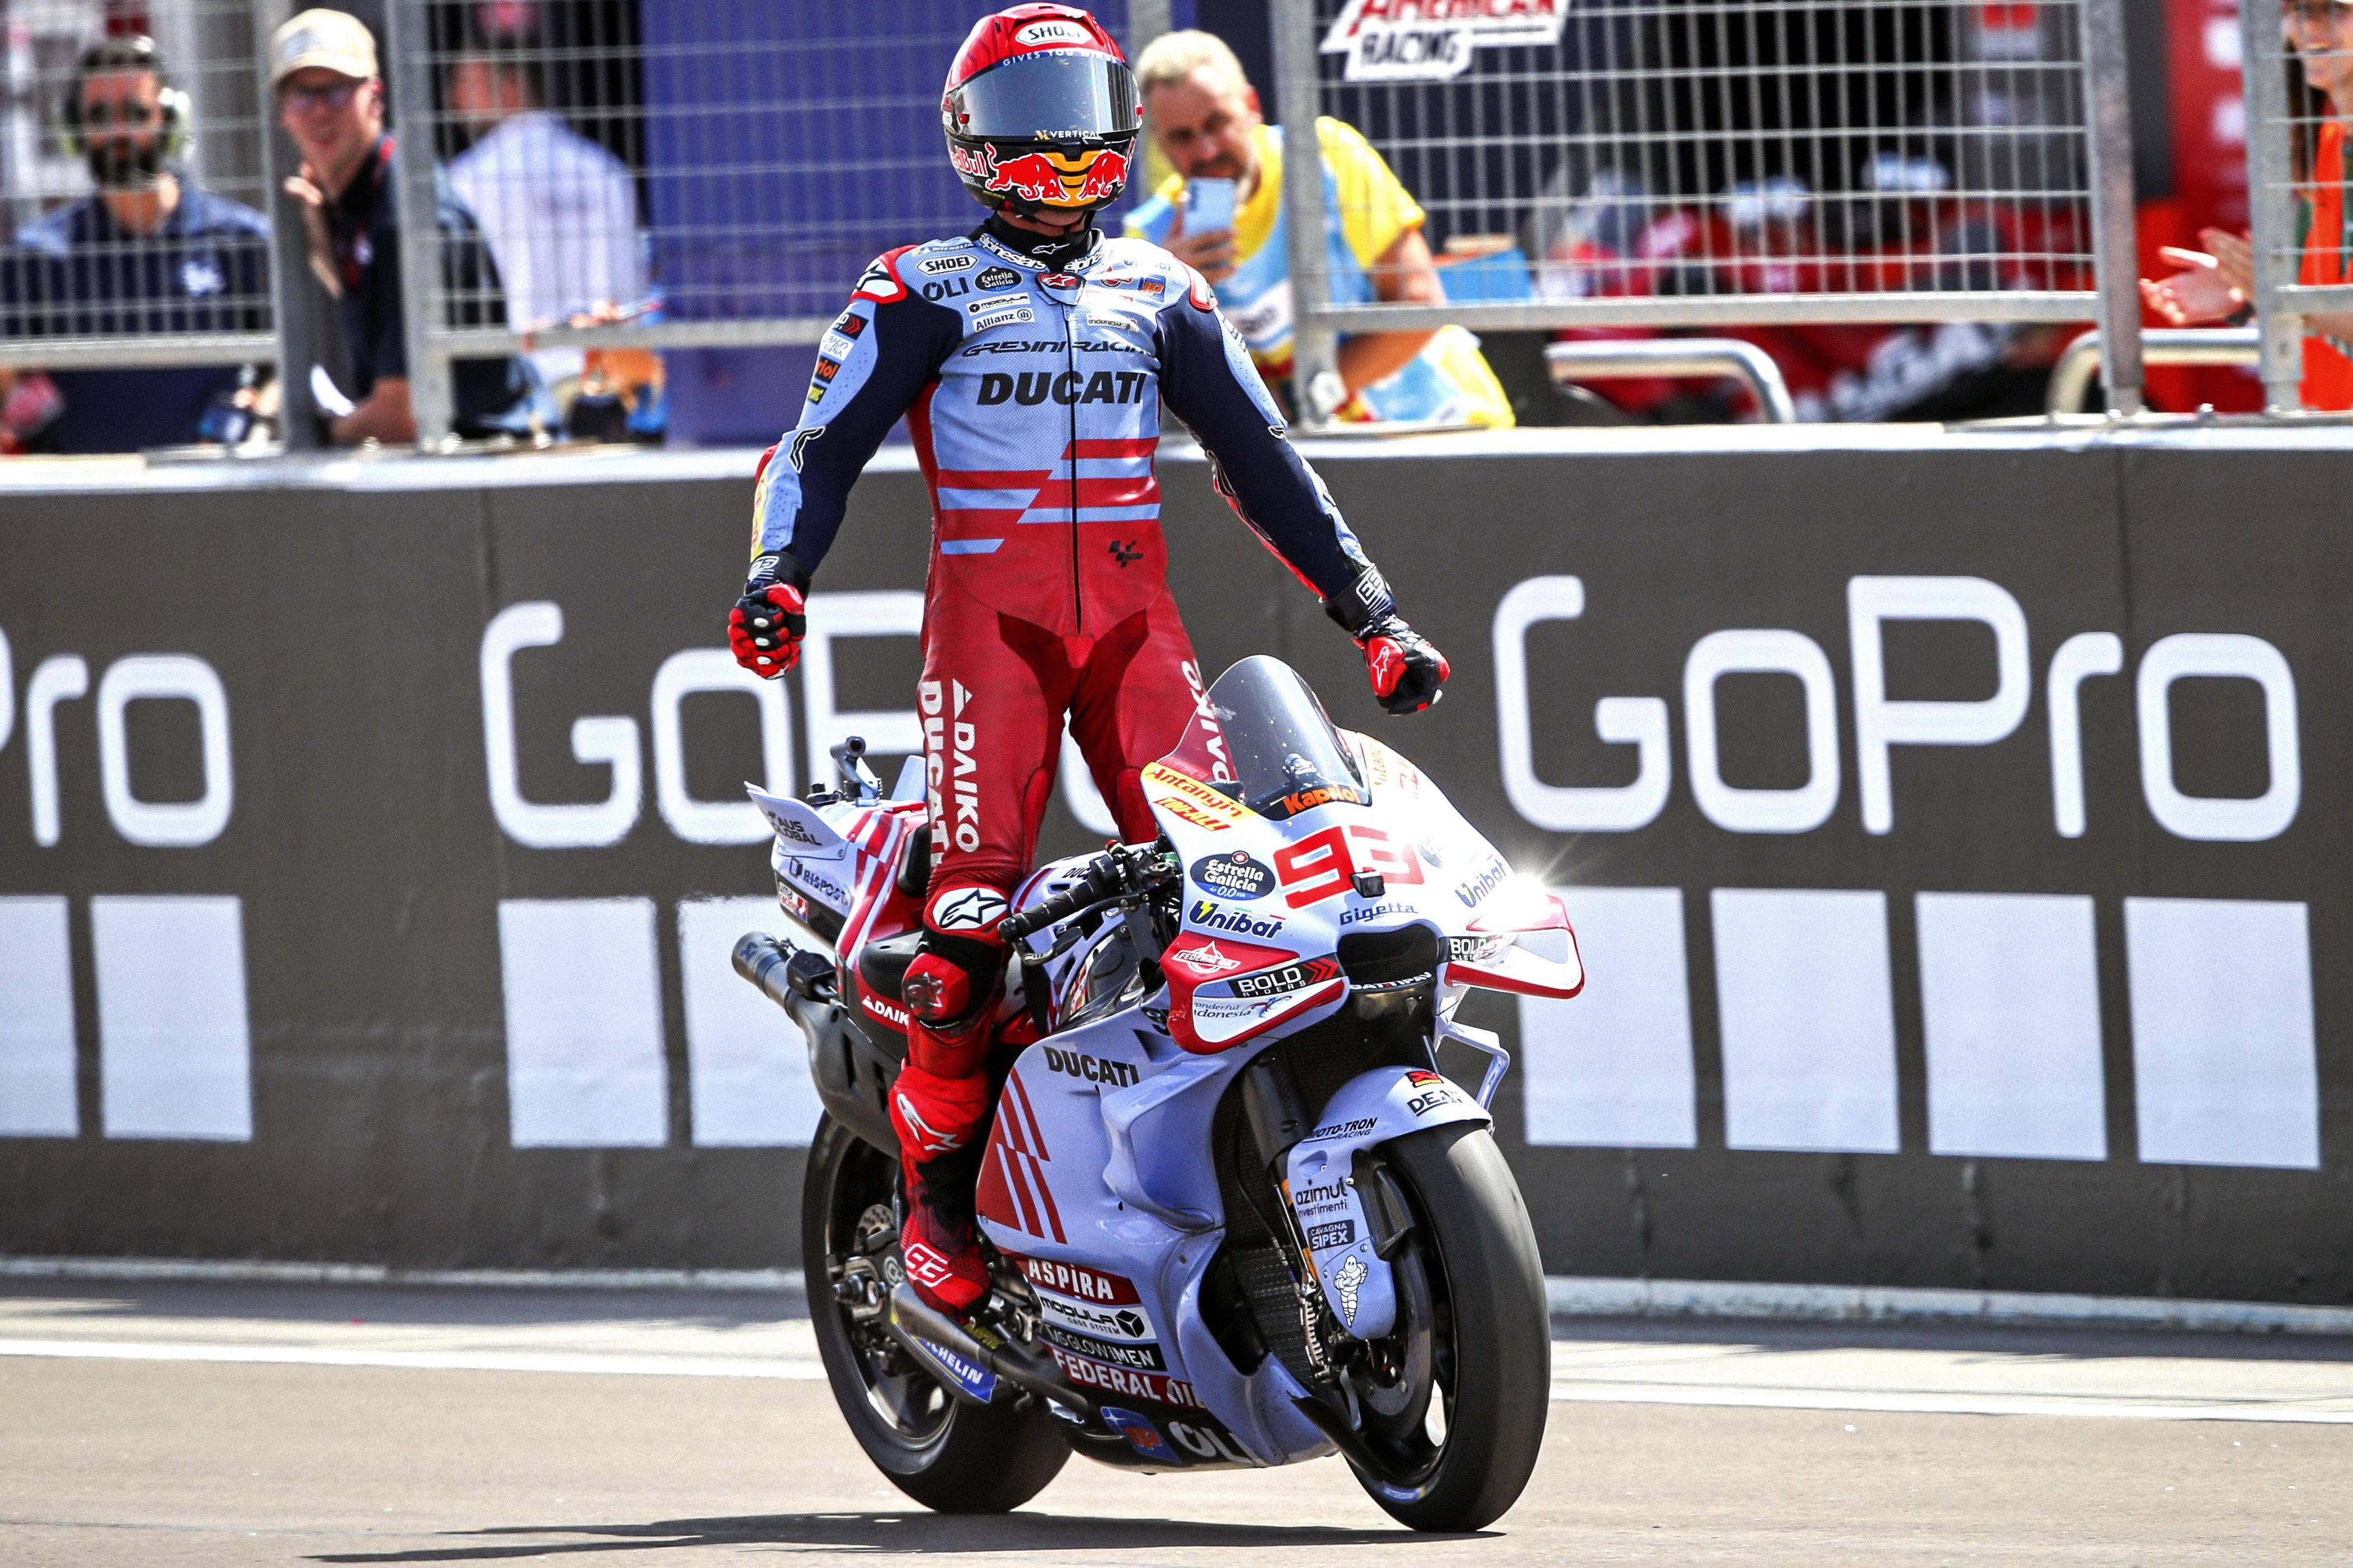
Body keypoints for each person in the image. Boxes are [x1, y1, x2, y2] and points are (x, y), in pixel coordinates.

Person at [725, 5, 1451, 1316]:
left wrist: (1375, 616)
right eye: (1031, 126)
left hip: (1133, 634)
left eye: (1082, 124)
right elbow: (815, 449)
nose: (1062, 153)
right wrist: (777, 574)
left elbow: (1265, 463)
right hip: (988, 641)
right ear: (970, 139)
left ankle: (1210, 1176)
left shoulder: (1163, 288)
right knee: (965, 930)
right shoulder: (916, 287)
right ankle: (940, 1200)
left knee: (1240, 892)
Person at [1121, 29, 1512, 429]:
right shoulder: (1149, 242)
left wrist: (1297, 401)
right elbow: (1143, 388)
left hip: (1447, 423)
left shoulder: (1324, 156)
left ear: (1252, 107)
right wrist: (1173, 294)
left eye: (1217, 122)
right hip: (1312, 454)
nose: (1206, 150)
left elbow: (1422, 306)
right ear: (1158, 143)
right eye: (1182, 137)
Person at [0, 35, 269, 453]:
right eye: (99, 115)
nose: (118, 131)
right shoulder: (38, 256)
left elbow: (288, 370)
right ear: (74, 129)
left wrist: (254, 410)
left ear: (171, 120)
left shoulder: (241, 240)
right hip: (81, 489)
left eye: (135, 112)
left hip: (211, 485)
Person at [269, 8, 526, 444]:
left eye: (337, 93)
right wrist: (325, 247)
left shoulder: (409, 214)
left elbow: (403, 414)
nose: (320, 113)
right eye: (302, 96)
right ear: (282, 112)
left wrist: (312, 434)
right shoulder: (355, 199)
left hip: (487, 455)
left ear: (375, 96)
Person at [2143, 0, 2353, 410]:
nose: (2310, 26)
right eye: (2297, 9)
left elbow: (2316, 308)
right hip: (2325, 429)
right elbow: (2320, 309)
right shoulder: (2329, 142)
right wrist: (2246, 296)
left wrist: (2272, 292)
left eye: (2334, 10)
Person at [445, 36, 648, 389]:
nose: (455, 97)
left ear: (513, 85)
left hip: (523, 382)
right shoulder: (605, 170)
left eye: (468, 81)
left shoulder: (466, 179)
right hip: (611, 377)